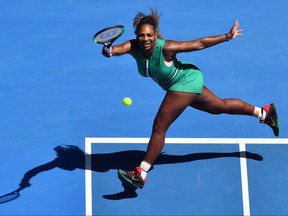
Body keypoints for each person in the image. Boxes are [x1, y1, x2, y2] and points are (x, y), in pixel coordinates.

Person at [101, 9, 280, 189]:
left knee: (159, 126)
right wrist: (109, 51)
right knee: (219, 106)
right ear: (136, 36)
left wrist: (227, 36)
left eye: (149, 35)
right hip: (187, 81)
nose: (145, 39)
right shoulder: (133, 47)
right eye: (141, 35)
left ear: (155, 35)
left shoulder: (166, 47)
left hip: (183, 84)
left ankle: (141, 173)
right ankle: (264, 112)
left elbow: (198, 44)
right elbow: (116, 49)